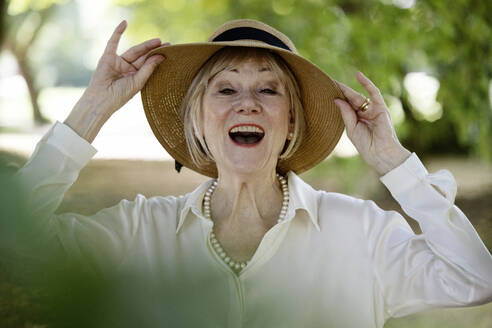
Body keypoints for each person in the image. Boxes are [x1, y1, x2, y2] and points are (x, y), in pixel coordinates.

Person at [14, 19, 492, 327]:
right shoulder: (139, 233)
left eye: (268, 89)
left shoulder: (362, 233)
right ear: (198, 121)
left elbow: (475, 278)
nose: (247, 102)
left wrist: (393, 162)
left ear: (290, 125)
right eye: (225, 90)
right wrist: (93, 108)